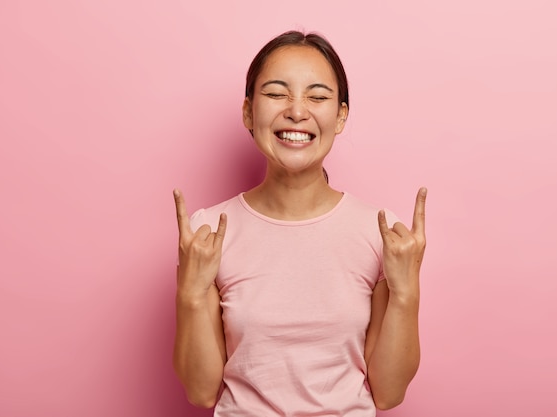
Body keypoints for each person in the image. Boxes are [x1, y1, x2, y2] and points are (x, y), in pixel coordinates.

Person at [172, 30, 427, 416]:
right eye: (276, 94)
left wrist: (406, 293)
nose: (296, 110)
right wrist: (190, 293)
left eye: (318, 97)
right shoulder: (209, 231)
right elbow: (201, 391)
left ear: (340, 116)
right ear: (248, 111)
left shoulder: (381, 232)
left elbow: (388, 393)